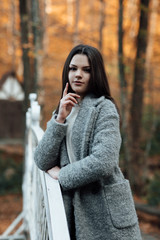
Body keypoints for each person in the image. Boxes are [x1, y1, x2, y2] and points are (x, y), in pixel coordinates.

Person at [34, 44, 142, 240]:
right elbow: (41, 160)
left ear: (96, 74)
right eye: (73, 68)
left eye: (86, 70)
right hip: (75, 210)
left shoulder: (104, 108)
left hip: (105, 213)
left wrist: (63, 175)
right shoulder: (64, 109)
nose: (78, 75)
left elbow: (104, 161)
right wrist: (59, 120)